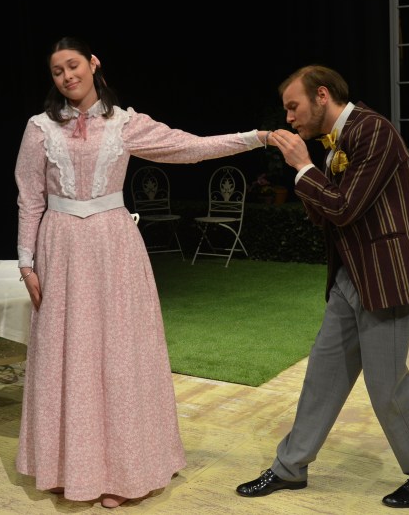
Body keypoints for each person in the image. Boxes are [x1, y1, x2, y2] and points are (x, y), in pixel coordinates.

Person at [14, 36, 269, 508]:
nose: (67, 76)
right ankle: (70, 467)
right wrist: (26, 262)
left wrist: (256, 138)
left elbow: (191, 148)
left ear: (93, 64)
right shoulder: (40, 128)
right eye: (57, 71)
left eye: (73, 65)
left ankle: (124, 472)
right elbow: (29, 198)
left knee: (119, 355)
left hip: (113, 248)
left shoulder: (125, 124)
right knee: (68, 355)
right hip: (60, 248)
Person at [236, 65, 409, 508]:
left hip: (388, 278)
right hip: (350, 276)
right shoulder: (336, 143)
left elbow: (345, 207)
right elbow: (327, 214)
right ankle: (290, 467)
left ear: (321, 95)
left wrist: (303, 166)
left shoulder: (373, 131)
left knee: (386, 385)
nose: (289, 117)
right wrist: (309, 172)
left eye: (293, 106)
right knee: (323, 376)